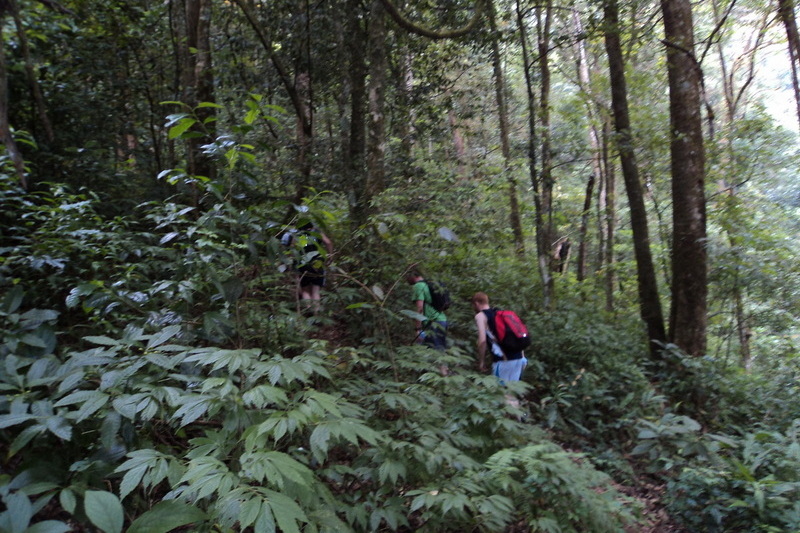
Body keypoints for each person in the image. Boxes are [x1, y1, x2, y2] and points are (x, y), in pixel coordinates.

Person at [471, 291, 527, 384]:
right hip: (520, 359)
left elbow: (482, 341)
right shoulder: (500, 313)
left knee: (502, 394)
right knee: (512, 394)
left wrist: (481, 362)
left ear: (476, 303)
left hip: (504, 361)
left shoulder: (481, 316)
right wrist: (522, 356)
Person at [282, 222, 333, 314]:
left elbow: (292, 249)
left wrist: (289, 263)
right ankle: (316, 314)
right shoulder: (317, 232)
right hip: (317, 262)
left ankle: (309, 310)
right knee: (316, 290)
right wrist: (330, 256)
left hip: (302, 263)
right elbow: (328, 242)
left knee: (305, 289)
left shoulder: (296, 235)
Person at [407, 270, 448, 353]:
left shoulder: (418, 286)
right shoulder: (428, 284)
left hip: (432, 323)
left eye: (407, 276)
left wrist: (417, 329)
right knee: (440, 351)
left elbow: (420, 308)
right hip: (442, 320)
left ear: (413, 276)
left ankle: (442, 366)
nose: (406, 279)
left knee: (433, 353)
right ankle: (443, 366)